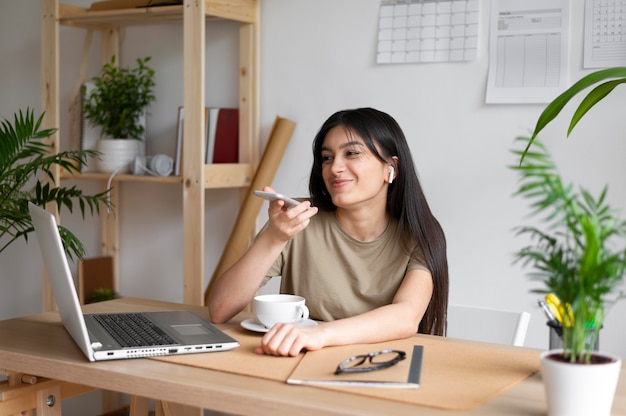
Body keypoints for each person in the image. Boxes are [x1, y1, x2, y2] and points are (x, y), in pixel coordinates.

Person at [209, 107, 448, 356]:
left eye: (352, 153)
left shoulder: (419, 234)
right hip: (297, 361)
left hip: (380, 364)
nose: (335, 168)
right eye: (327, 157)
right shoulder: (297, 219)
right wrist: (274, 238)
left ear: (392, 168)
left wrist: (319, 335)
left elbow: (405, 316)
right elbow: (220, 309)